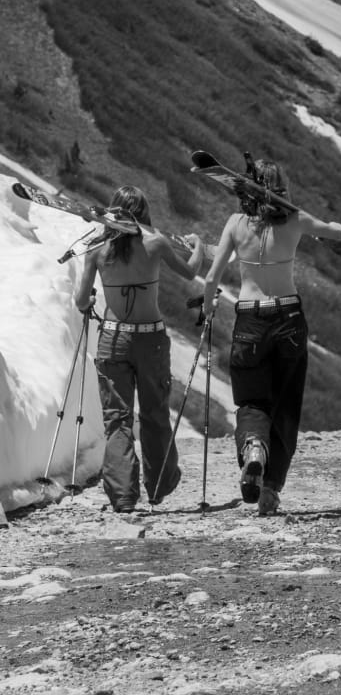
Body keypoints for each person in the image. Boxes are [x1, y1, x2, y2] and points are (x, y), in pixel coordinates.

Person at [203, 159, 341, 516]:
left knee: (252, 400)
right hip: (288, 318)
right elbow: (337, 233)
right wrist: (337, 225)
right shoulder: (297, 220)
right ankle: (270, 489)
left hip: (250, 318)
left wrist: (208, 308)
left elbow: (211, 278)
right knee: (285, 405)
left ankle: (254, 446)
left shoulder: (237, 224)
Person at [74, 186, 204, 513]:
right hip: (151, 339)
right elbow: (191, 270)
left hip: (112, 339)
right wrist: (198, 245)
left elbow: (80, 300)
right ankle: (159, 486)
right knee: (154, 412)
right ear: (143, 213)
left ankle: (122, 497)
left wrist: (89, 301)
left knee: (117, 419)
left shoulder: (97, 250)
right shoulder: (155, 242)